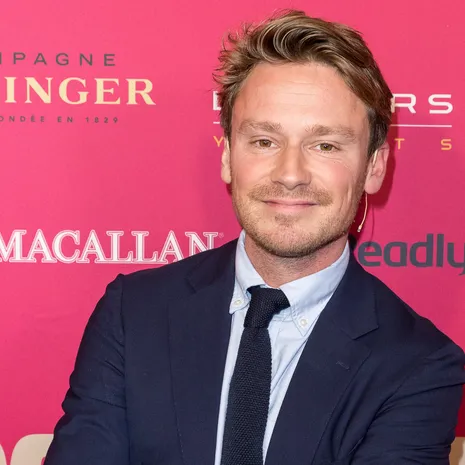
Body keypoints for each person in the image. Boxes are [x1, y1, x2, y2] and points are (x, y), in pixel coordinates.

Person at [44, 10, 465, 465]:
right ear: (228, 156)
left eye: (325, 145)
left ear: (374, 167)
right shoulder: (133, 314)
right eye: (264, 141)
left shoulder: (421, 365)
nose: (290, 174)